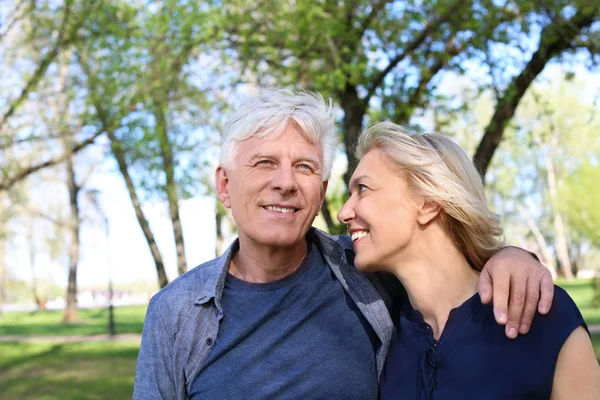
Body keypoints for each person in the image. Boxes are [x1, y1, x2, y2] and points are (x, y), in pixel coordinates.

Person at [133, 90, 555, 400]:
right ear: (225, 184)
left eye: (304, 166)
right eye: (264, 163)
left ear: (321, 191)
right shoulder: (176, 312)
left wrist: (509, 256)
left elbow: (442, 257)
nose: (285, 183)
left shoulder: (366, 269)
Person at [337, 122, 600, 399]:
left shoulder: (541, 313)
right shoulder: (383, 333)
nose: (344, 212)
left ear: (427, 203)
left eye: (363, 188)